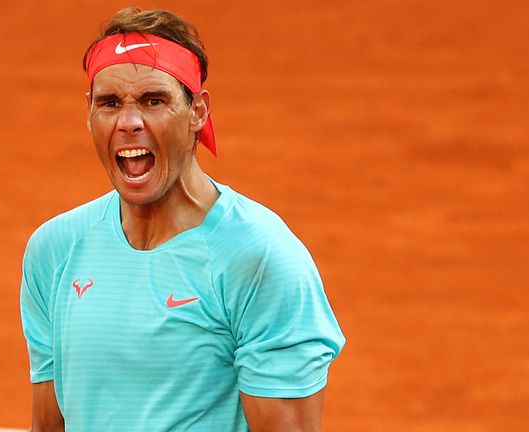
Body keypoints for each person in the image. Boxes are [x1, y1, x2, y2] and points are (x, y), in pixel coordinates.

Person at [20, 7, 345, 431]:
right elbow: (48, 426)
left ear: (197, 111)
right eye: (110, 103)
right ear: (89, 113)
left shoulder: (259, 259)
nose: (129, 121)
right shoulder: (54, 252)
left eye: (154, 101)